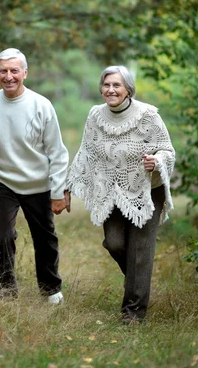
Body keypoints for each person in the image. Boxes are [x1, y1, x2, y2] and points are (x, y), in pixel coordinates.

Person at [66, 65, 175, 323]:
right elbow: (86, 153)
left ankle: (133, 312)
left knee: (141, 249)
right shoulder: (95, 116)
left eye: (116, 85)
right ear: (101, 88)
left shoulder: (148, 115)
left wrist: (156, 161)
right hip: (112, 191)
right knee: (114, 243)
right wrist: (67, 187)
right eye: (106, 85)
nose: (111, 90)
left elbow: (167, 151)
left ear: (128, 89)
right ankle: (140, 279)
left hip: (148, 191)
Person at [0, 48, 70, 304]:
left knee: (44, 237)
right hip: (1, 179)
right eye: (3, 71)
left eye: (14, 71)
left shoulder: (41, 105)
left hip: (37, 182)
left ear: (25, 72)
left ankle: (50, 289)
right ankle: (8, 287)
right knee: (3, 235)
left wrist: (58, 192)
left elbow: (57, 152)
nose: (9, 76)